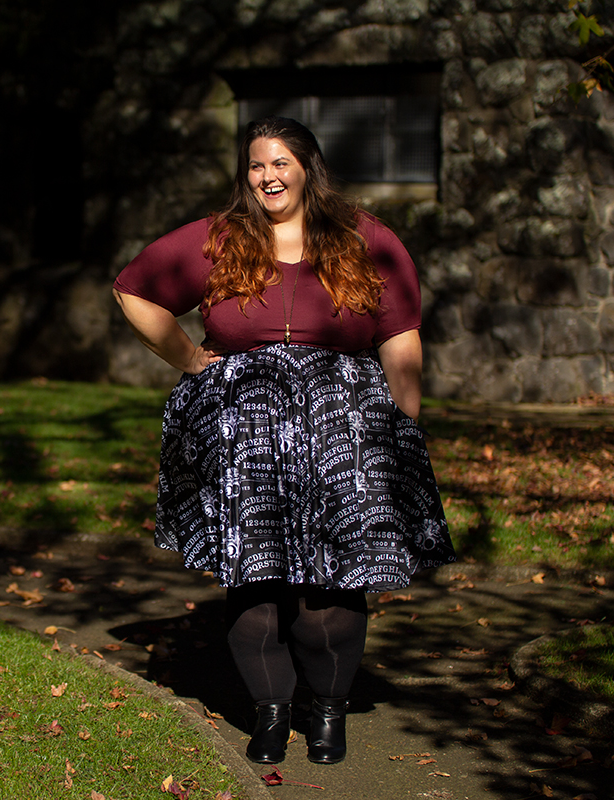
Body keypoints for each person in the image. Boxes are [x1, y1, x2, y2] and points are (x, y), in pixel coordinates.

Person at [112, 116, 455, 766]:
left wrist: (405, 430)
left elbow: (400, 335)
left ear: (307, 166)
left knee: (333, 587)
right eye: (256, 165)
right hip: (244, 436)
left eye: (280, 163)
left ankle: (327, 710)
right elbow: (134, 290)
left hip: (343, 438)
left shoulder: (364, 238)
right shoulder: (219, 238)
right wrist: (187, 358)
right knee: (256, 583)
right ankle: (270, 711)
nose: (268, 176)